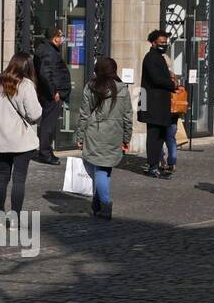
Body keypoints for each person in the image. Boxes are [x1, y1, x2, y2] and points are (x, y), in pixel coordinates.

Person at [74, 57, 132, 221]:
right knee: (104, 169)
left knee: (99, 169)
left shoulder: (91, 87)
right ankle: (98, 202)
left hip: (94, 132)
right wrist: (127, 138)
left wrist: (80, 136)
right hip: (114, 133)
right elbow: (128, 116)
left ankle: (104, 203)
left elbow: (84, 114)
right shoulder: (122, 89)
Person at [0, 52, 42, 218]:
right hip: (21, 140)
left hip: (1, 138)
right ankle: (15, 217)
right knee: (19, 180)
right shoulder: (26, 85)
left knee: (2, 177)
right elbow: (34, 113)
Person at [138, 29, 176, 179]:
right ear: (153, 43)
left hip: (158, 103)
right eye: (161, 43)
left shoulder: (158, 57)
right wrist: (172, 84)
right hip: (153, 104)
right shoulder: (151, 57)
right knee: (154, 135)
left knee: (160, 135)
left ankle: (155, 164)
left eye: (165, 43)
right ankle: (152, 165)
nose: (164, 45)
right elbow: (156, 79)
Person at [33, 28, 71, 164]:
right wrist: (53, 92)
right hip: (51, 95)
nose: (62, 40)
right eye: (61, 37)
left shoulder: (47, 49)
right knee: (48, 124)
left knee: (48, 124)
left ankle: (47, 151)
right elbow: (45, 74)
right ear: (55, 38)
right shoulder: (48, 51)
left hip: (50, 93)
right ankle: (45, 153)